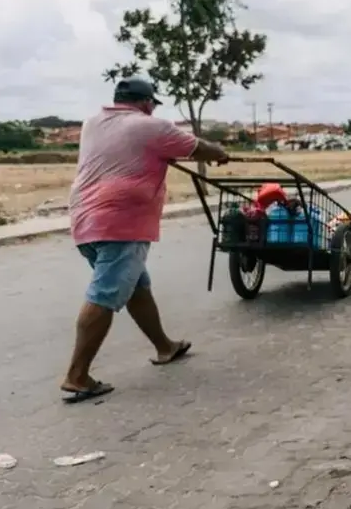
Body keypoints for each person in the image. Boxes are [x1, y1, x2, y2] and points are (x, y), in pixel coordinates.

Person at [60, 77, 229, 403]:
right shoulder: (150, 127)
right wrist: (221, 154)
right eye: (152, 103)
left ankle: (165, 347)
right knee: (105, 294)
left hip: (85, 218)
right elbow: (200, 149)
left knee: (137, 286)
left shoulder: (92, 123)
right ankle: (77, 376)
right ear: (147, 102)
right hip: (121, 223)